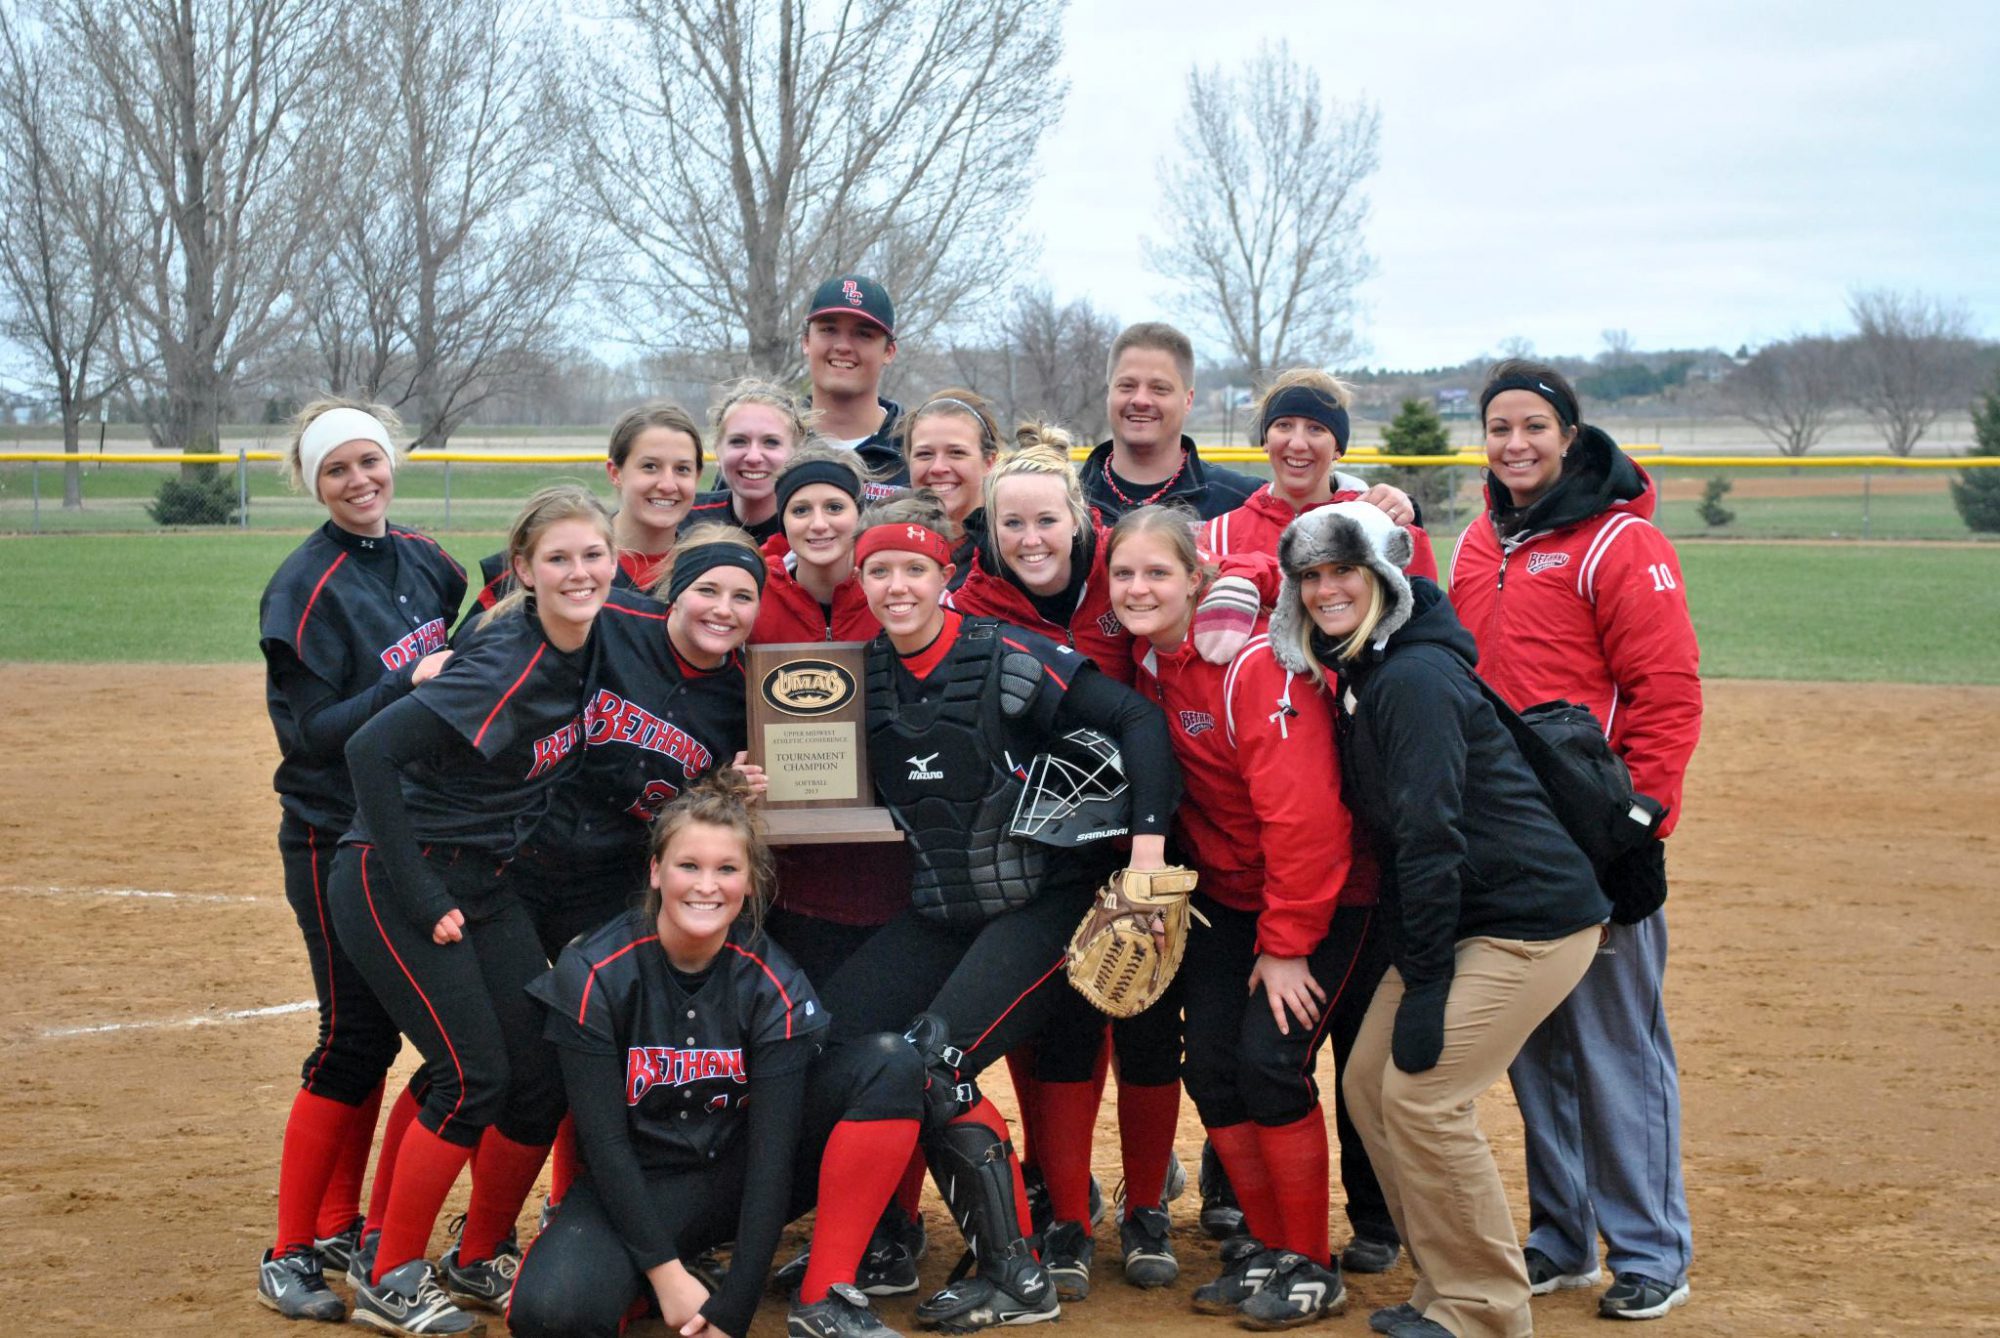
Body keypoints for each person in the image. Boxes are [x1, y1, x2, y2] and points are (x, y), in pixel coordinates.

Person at [811, 491, 1184, 1331]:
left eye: (914, 569)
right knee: (835, 1039)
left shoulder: (1010, 655)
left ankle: (1018, 1272)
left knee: (932, 1062)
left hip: (1041, 907)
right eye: (879, 571)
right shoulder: (853, 678)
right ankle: (879, 1235)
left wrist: (1147, 855)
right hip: (943, 909)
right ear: (861, 581)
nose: (896, 586)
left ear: (946, 577)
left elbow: (1137, 721)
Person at [1271, 500, 1610, 1338]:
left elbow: (1430, 841)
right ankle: (1445, 1284)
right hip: (1467, 913)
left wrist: (1425, 984)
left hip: (1529, 921)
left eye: (1343, 570)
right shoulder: (1370, 670)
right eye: (1309, 576)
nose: (1324, 591)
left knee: (1424, 1100)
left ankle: (1487, 1309)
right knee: (1366, 1087)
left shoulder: (1411, 680)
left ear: (1383, 577)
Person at [325, 484, 615, 1336]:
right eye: (557, 558)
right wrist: (421, 893)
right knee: (470, 1078)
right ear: (522, 569)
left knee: (539, 1073)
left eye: (593, 555)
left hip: (483, 880)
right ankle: (388, 1274)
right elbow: (367, 750)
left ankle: (476, 1255)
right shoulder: (505, 660)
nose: (579, 572)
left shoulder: (595, 637)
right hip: (396, 875)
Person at [1449, 360, 1702, 1322]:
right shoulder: (1480, 540)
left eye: (1533, 427)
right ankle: (1563, 1235)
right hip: (1510, 836)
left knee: (1614, 1048)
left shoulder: (1620, 542)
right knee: (1531, 1046)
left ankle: (1649, 1248)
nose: (1515, 444)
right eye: (1499, 428)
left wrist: (1643, 819)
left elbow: (1667, 691)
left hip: (1597, 831)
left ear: (1568, 434)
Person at [509, 771, 925, 1338]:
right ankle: (648, 1274)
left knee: (890, 1061)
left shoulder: (771, 980)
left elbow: (773, 1156)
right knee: (552, 1315)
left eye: (727, 869)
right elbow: (603, 1145)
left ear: (751, 882)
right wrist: (665, 1273)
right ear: (655, 871)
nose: (707, 886)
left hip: (737, 1173)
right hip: (636, 1182)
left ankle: (823, 1297)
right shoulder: (596, 972)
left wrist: (737, 1304)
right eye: (689, 865)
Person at [1105, 504, 1386, 1329]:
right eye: (1124, 573)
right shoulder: (1146, 658)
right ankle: (1266, 1246)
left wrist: (1291, 944)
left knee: (1270, 1062)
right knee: (1213, 1068)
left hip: (1324, 896)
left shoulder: (1251, 663)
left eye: (1159, 572)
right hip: (1230, 894)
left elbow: (1308, 823)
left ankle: (1309, 1262)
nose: (1138, 588)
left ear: (1198, 579)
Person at [945, 435, 1189, 1295]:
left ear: (1082, 519)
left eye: (1048, 518)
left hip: (1154, 832)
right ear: (991, 526)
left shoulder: (1121, 572)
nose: (1032, 536)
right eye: (1013, 522)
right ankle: (1069, 1218)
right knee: (1068, 1032)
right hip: (1048, 844)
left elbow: (1222, 569)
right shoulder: (970, 600)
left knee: (1153, 1024)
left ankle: (1149, 1204)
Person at [254, 399, 467, 1323]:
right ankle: (288, 1251)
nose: (359, 481)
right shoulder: (303, 587)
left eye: (369, 462)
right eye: (336, 469)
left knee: (387, 1039)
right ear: (313, 482)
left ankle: (347, 1223)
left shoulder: (426, 559)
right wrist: (400, 683)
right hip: (327, 832)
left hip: (406, 828)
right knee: (351, 1039)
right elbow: (309, 739)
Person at [1200, 368, 1436, 584]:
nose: (1298, 443)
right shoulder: (1219, 535)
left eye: (1316, 428)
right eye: (1283, 425)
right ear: (1265, 440)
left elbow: (1426, 625)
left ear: (1338, 449)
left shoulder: (1385, 528)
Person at [471, 402, 703, 609]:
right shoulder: (544, 559)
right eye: (650, 466)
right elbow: (465, 652)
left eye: (682, 469)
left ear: (697, 476)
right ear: (615, 473)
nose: (667, 484)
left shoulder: (708, 570)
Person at [1078, 322, 1261, 524]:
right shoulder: (1067, 501)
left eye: (1159, 388)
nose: (1140, 399)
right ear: (1109, 394)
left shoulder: (1243, 502)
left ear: (1188, 400)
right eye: (1127, 386)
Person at [802, 273, 908, 491]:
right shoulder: (768, 442)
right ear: (806, 342)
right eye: (829, 330)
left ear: (889, 351)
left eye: (863, 334)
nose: (843, 346)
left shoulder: (917, 449)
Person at [683, 381, 811, 549]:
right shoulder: (685, 518)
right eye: (738, 441)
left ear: (797, 453)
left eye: (771, 442)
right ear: (718, 450)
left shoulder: (814, 529)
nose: (753, 457)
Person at [898, 388, 1004, 588]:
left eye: (956, 453)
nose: (938, 468)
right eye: (924, 454)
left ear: (989, 462)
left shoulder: (1009, 548)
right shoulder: (889, 543)